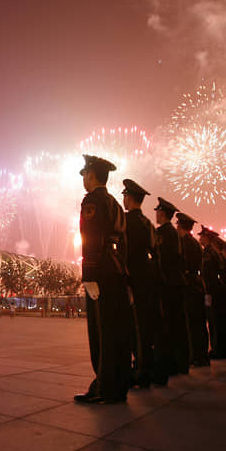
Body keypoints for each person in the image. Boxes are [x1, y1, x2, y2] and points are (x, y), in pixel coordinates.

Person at [74, 155, 133, 404]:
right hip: (117, 270)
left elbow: (91, 237)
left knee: (102, 332)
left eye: (85, 175)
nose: (83, 180)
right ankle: (119, 385)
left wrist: (89, 274)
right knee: (118, 330)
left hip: (101, 271)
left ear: (91, 175)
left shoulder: (93, 201)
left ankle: (104, 386)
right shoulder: (115, 204)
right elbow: (125, 244)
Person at [121, 178, 157, 388]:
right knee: (145, 326)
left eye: (125, 196)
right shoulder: (147, 223)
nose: (123, 200)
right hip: (147, 278)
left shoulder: (128, 222)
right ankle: (146, 368)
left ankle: (140, 370)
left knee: (134, 327)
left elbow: (127, 253)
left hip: (133, 278)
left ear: (130, 198)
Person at [154, 197, 189, 378]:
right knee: (177, 324)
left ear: (162, 213)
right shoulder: (173, 233)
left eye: (157, 212)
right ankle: (180, 363)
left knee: (167, 325)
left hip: (168, 283)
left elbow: (163, 259)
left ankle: (167, 365)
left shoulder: (164, 233)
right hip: (176, 282)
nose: (156, 215)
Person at [176, 212, 209, 367]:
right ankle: (201, 355)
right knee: (198, 323)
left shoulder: (185, 243)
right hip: (196, 284)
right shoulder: (194, 243)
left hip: (189, 284)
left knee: (191, 323)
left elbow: (184, 265)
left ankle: (195, 355)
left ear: (181, 226)